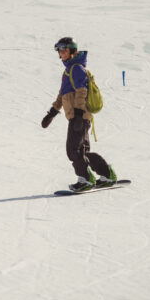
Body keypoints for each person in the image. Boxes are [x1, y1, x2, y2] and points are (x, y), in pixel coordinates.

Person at [41, 37, 117, 192]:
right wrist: (52, 113)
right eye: (59, 50)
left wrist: (79, 114)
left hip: (79, 117)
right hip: (79, 117)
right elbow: (63, 94)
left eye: (64, 49)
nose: (61, 53)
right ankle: (107, 174)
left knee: (73, 151)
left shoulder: (76, 68)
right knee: (83, 152)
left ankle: (85, 179)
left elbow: (82, 91)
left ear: (72, 51)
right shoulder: (69, 69)